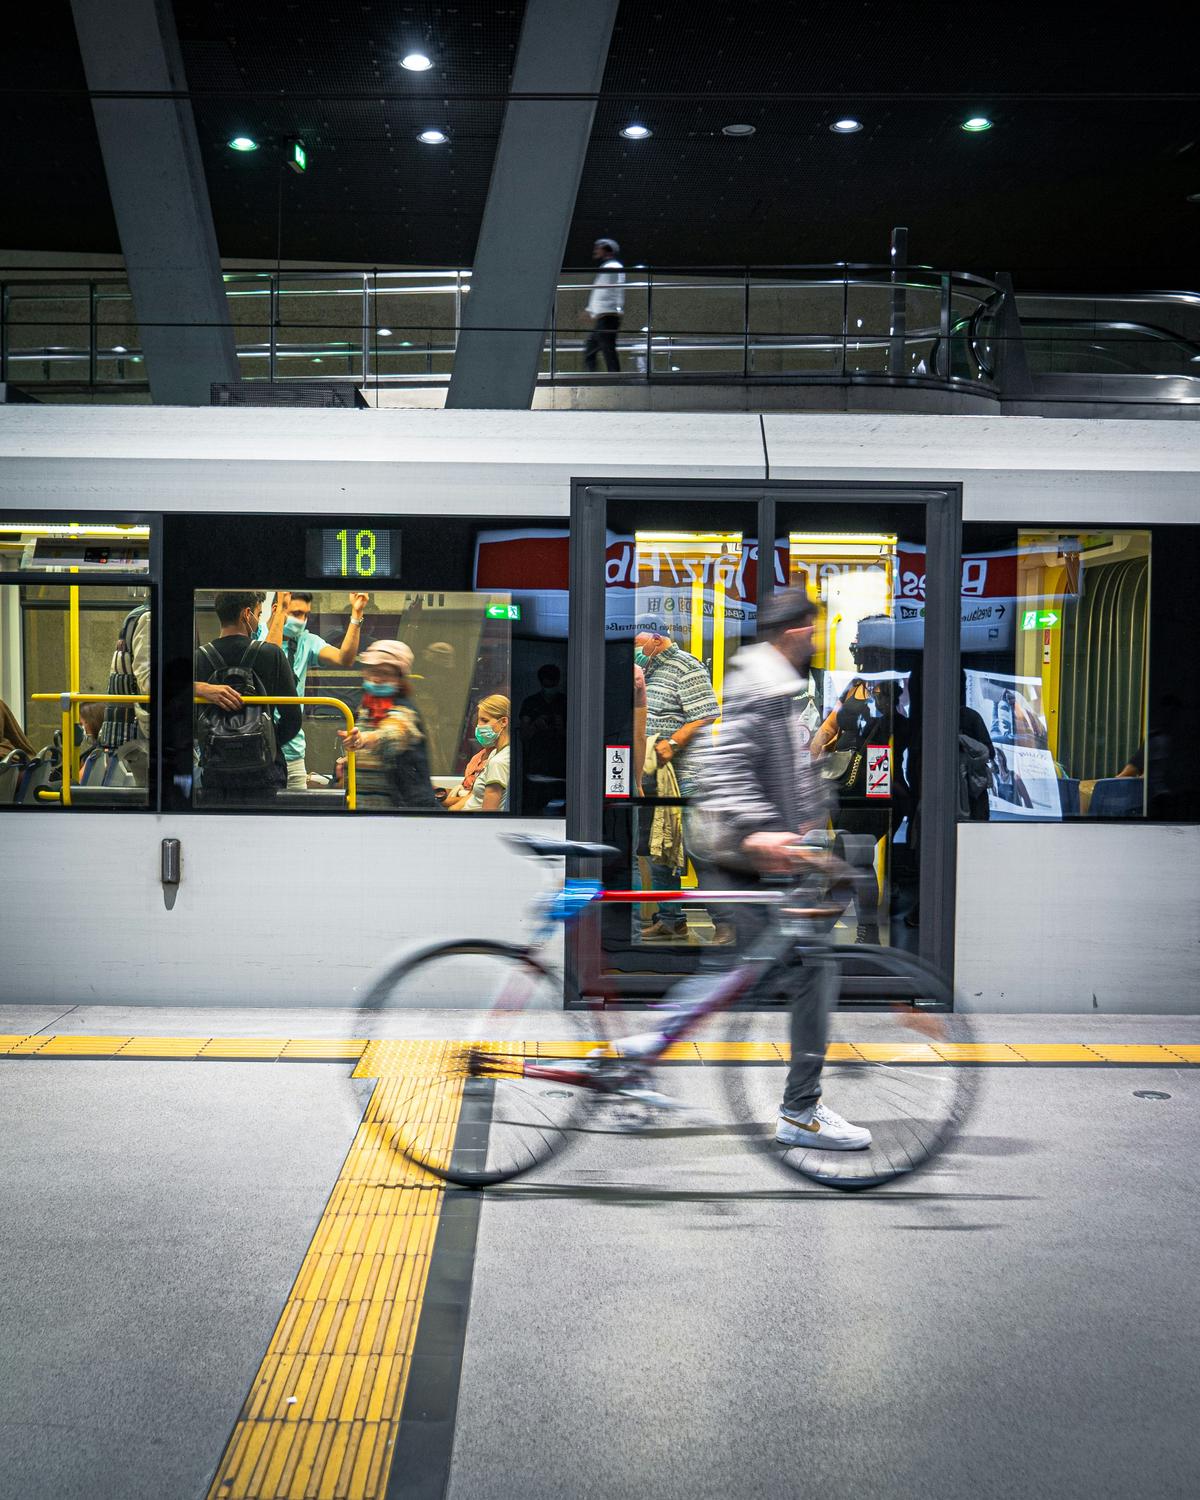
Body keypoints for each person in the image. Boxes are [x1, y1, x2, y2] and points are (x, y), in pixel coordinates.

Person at [637, 589, 871, 1151]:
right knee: (786, 971)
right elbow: (728, 767)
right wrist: (764, 832)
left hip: (760, 852)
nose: (817, 641)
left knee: (758, 971)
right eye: (813, 632)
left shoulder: (780, 688)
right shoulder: (763, 687)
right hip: (743, 854)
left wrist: (812, 831)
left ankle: (643, 1050)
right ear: (794, 633)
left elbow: (790, 772)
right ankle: (798, 1111)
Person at [635, 629, 721, 939]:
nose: (635, 648)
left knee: (700, 850)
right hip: (657, 774)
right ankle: (671, 919)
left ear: (655, 639)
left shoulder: (687, 665)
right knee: (661, 848)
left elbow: (707, 713)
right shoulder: (647, 668)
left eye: (637, 641)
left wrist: (673, 740)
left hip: (689, 774)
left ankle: (724, 922)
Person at [193, 591, 301, 803]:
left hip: (217, 768)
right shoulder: (272, 654)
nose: (258, 620)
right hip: (264, 770)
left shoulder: (199, 659)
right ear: (246, 614)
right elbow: (293, 718)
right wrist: (269, 741)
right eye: (258, 615)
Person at [261, 590, 369, 790]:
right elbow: (270, 657)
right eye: (295, 613)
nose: (301, 620)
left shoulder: (306, 640)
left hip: (293, 751)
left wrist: (356, 615)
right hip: (258, 748)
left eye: (305, 615)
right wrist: (281, 612)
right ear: (277, 610)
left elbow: (344, 658)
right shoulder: (255, 632)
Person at [337, 640, 439, 810]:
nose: (376, 678)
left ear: (399, 677)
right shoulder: (363, 709)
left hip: (399, 811)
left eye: (385, 673)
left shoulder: (405, 710)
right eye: (372, 671)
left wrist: (362, 739)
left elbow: (392, 735)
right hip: (360, 807)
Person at [97, 597, 151, 785]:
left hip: (136, 726)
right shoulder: (149, 619)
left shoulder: (137, 616)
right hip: (141, 729)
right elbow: (148, 681)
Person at [447, 695, 511, 812]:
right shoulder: (495, 754)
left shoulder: (498, 762)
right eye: (479, 720)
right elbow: (475, 797)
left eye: (485, 720)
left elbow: (488, 813)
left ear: (503, 722)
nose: (479, 726)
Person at [518, 664, 567, 812]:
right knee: (535, 803)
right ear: (541, 681)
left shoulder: (567, 702)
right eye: (547, 682)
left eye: (553, 682)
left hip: (562, 761)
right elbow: (523, 735)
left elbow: (580, 737)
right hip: (536, 761)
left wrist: (562, 729)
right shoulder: (530, 703)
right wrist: (535, 725)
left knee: (561, 803)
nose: (550, 686)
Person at [583, 237, 625, 373]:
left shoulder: (612, 267)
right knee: (596, 347)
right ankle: (605, 375)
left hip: (608, 316)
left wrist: (591, 310)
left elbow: (605, 291)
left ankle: (613, 377)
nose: (595, 250)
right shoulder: (610, 267)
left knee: (605, 348)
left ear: (606, 249)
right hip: (605, 316)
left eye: (598, 247)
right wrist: (591, 310)